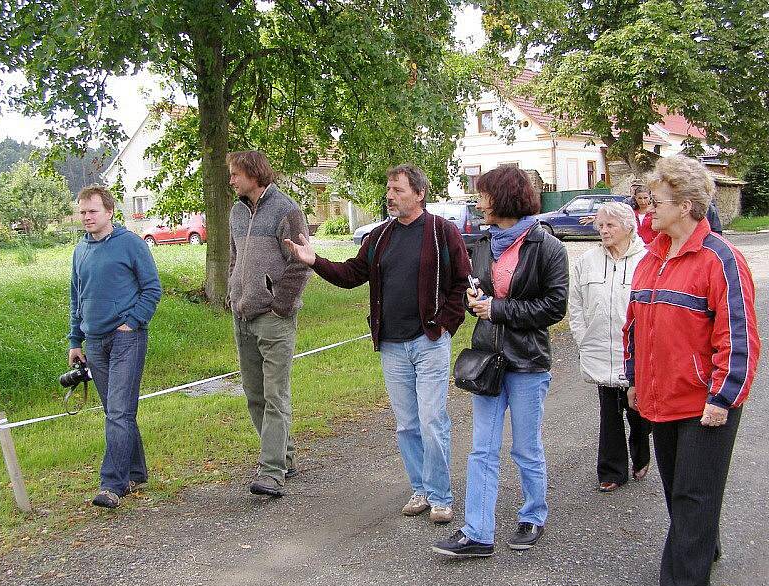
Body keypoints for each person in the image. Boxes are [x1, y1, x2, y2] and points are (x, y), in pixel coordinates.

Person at [284, 164, 471, 524]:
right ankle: (421, 488)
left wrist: (445, 325)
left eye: (398, 190)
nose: (390, 196)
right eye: (388, 189)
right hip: (392, 344)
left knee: (433, 420)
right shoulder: (380, 236)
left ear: (419, 194)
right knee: (407, 424)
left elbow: (460, 283)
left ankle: (441, 496)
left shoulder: (441, 232)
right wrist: (315, 261)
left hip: (429, 341)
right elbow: (353, 274)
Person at [624, 154, 760, 586]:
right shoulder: (651, 259)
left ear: (684, 205)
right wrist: (633, 381)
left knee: (691, 501)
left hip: (705, 405)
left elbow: (737, 337)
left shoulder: (721, 259)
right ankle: (706, 543)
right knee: (681, 496)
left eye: (656, 201)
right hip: (659, 401)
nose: (649, 210)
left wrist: (723, 397)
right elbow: (633, 327)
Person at [432, 166, 568, 557]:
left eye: (484, 195)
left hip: (527, 363)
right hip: (488, 360)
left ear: (504, 198)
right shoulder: (481, 244)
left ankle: (533, 515)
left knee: (526, 448)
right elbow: (470, 292)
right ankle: (478, 532)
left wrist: (499, 309)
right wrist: (472, 303)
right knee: (482, 449)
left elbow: (554, 306)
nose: (478, 202)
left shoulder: (547, 247)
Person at [68, 185, 162, 509]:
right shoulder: (80, 251)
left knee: (120, 411)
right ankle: (136, 471)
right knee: (116, 412)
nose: (87, 217)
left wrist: (132, 322)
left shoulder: (131, 244)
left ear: (109, 212)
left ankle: (112, 484)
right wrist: (75, 340)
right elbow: (75, 299)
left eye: (92, 211)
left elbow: (152, 288)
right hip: (93, 342)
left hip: (126, 338)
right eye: (82, 212)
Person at [227, 150, 311, 498]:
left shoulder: (286, 210)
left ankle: (271, 472)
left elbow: (301, 262)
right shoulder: (235, 211)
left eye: (235, 174)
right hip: (242, 316)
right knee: (255, 395)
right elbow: (235, 256)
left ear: (254, 173)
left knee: (276, 395)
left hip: (274, 319)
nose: (230, 180)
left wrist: (280, 306)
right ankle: (284, 457)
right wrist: (233, 294)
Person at [568, 202, 650, 493]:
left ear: (628, 227)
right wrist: (582, 338)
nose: (603, 230)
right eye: (600, 225)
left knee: (638, 410)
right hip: (600, 348)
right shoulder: (586, 262)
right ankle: (612, 470)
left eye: (610, 225)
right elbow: (575, 305)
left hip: (638, 352)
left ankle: (641, 451)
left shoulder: (648, 260)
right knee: (609, 410)